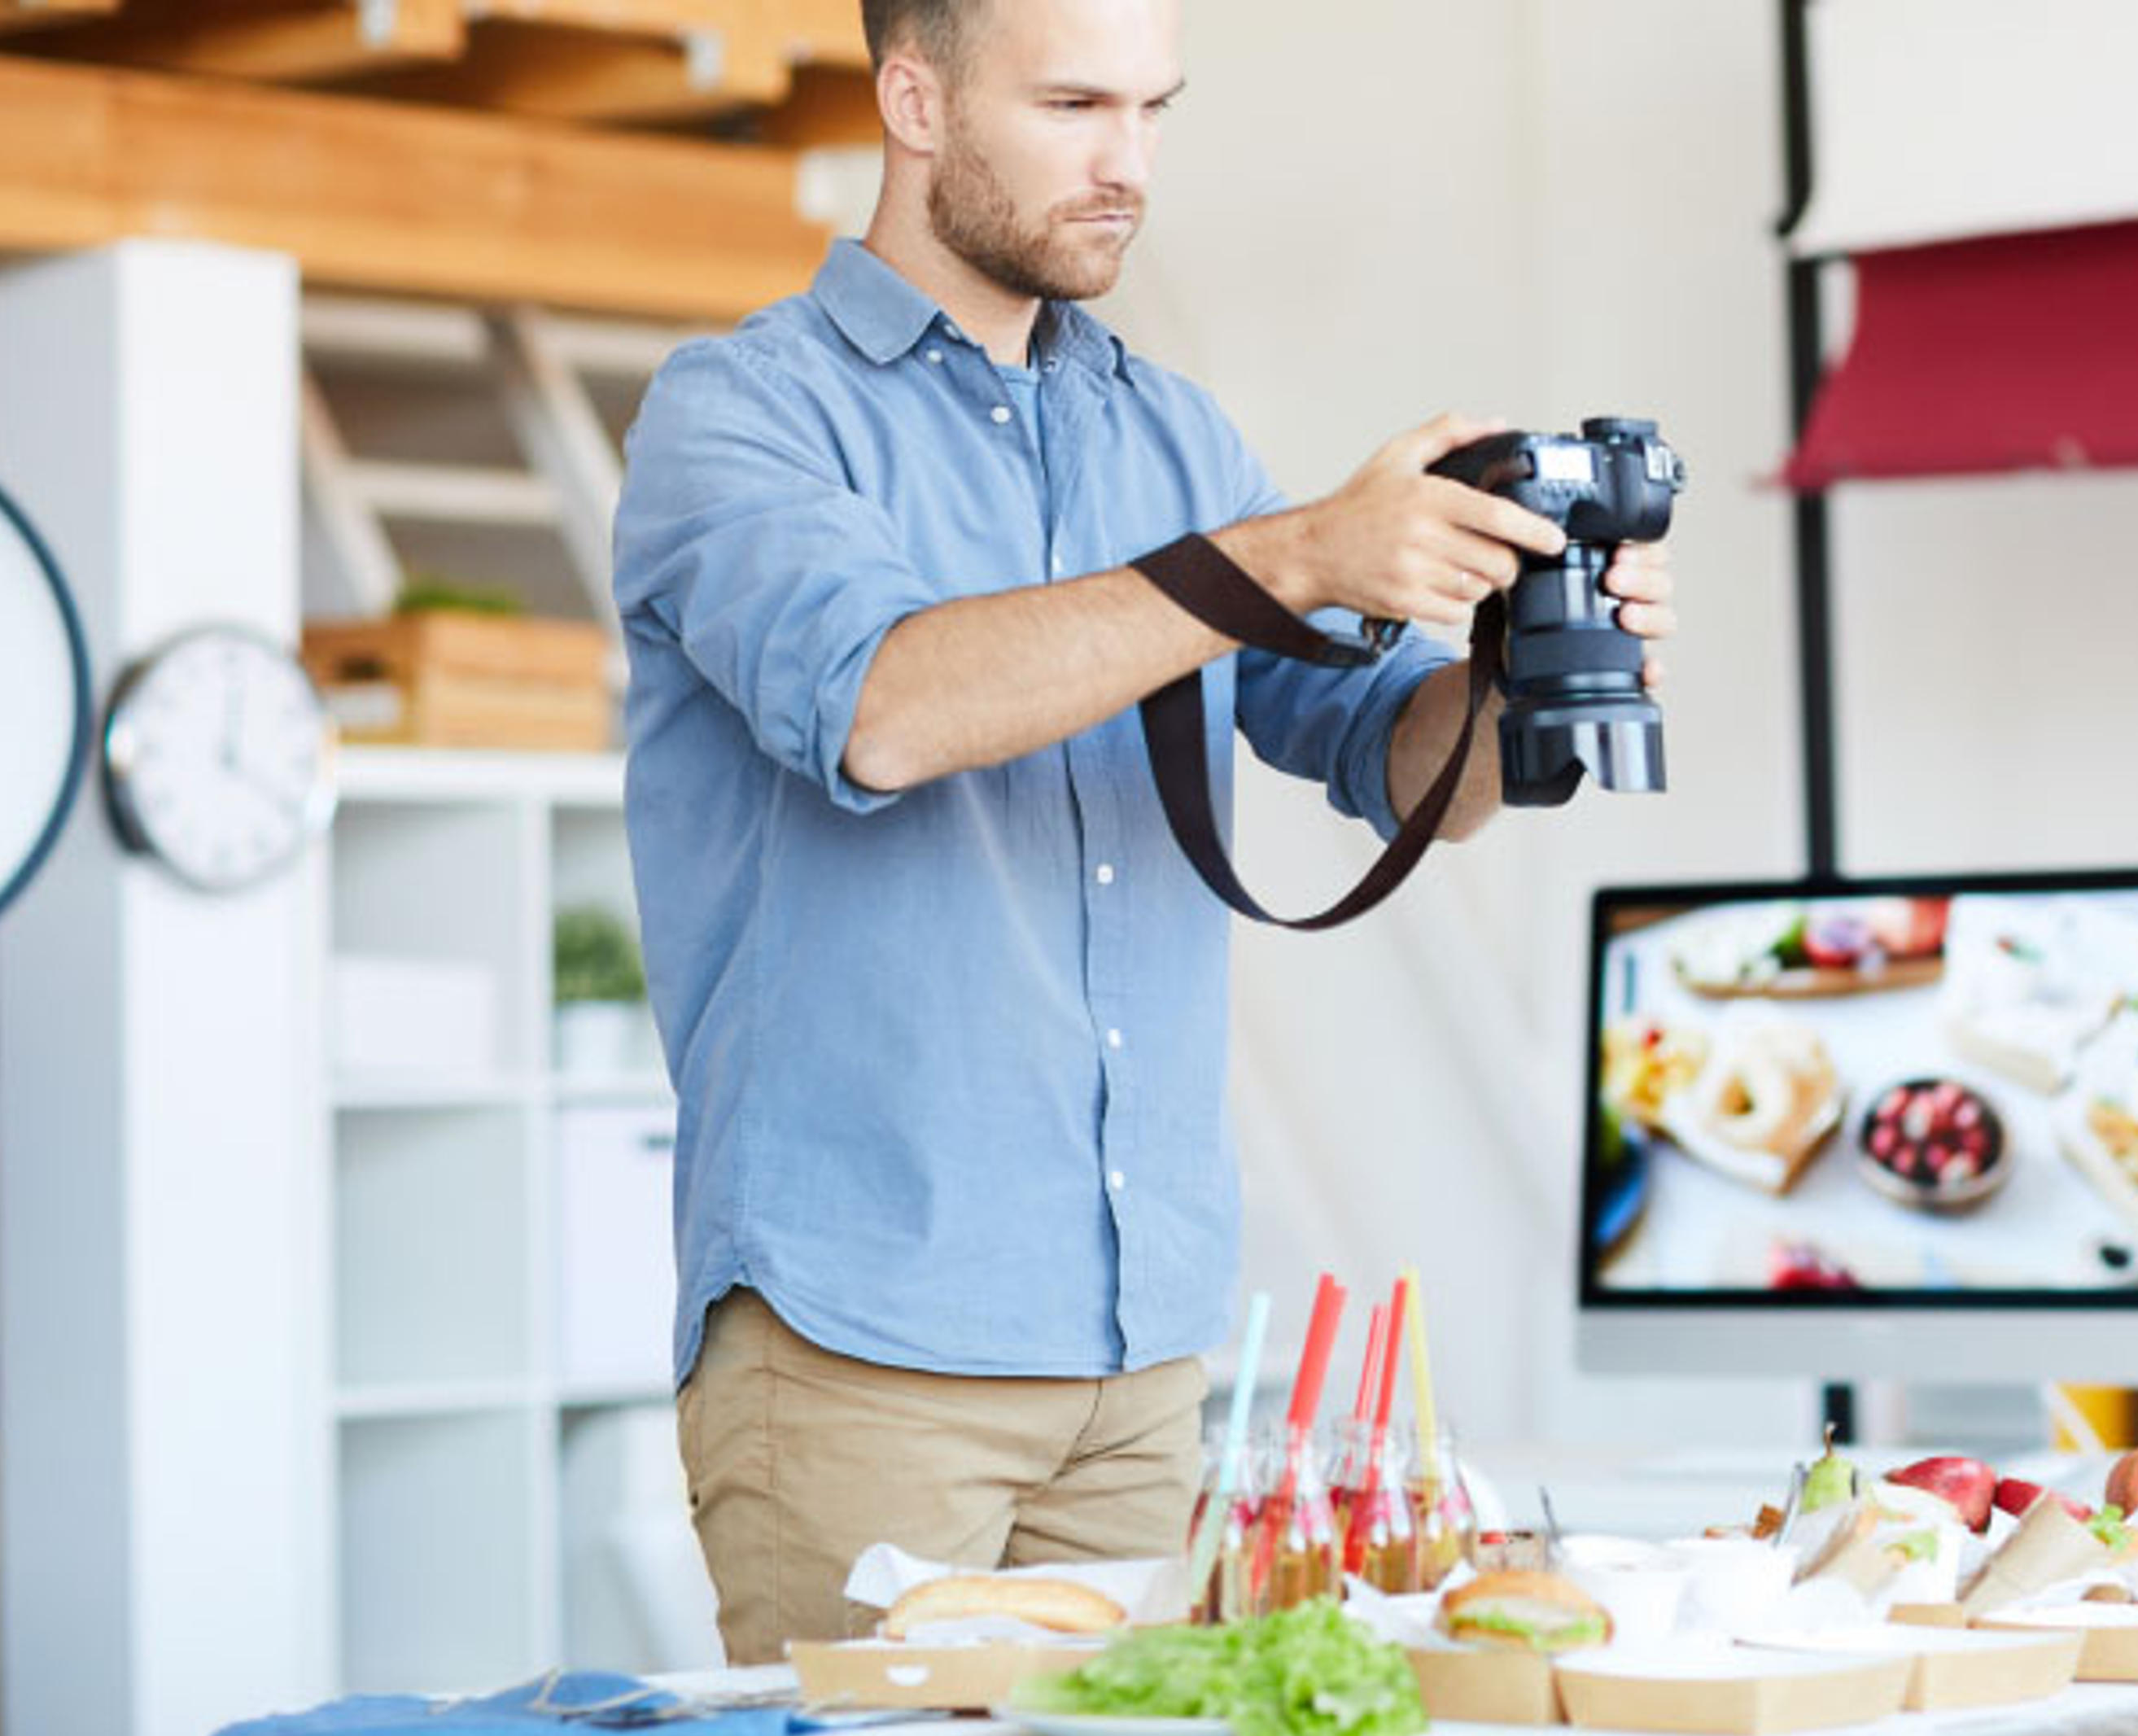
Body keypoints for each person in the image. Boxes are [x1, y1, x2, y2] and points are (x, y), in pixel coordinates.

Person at [610, 0, 1677, 1665]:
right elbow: (884, 707)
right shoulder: (739, 412)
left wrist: (1520, 669)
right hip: (863, 1350)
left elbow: (1400, 772)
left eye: (1157, 110)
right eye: (1076, 106)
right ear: (914, 98)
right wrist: (1297, 553)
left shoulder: (1173, 438)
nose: (1131, 166)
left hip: (1152, 1359)